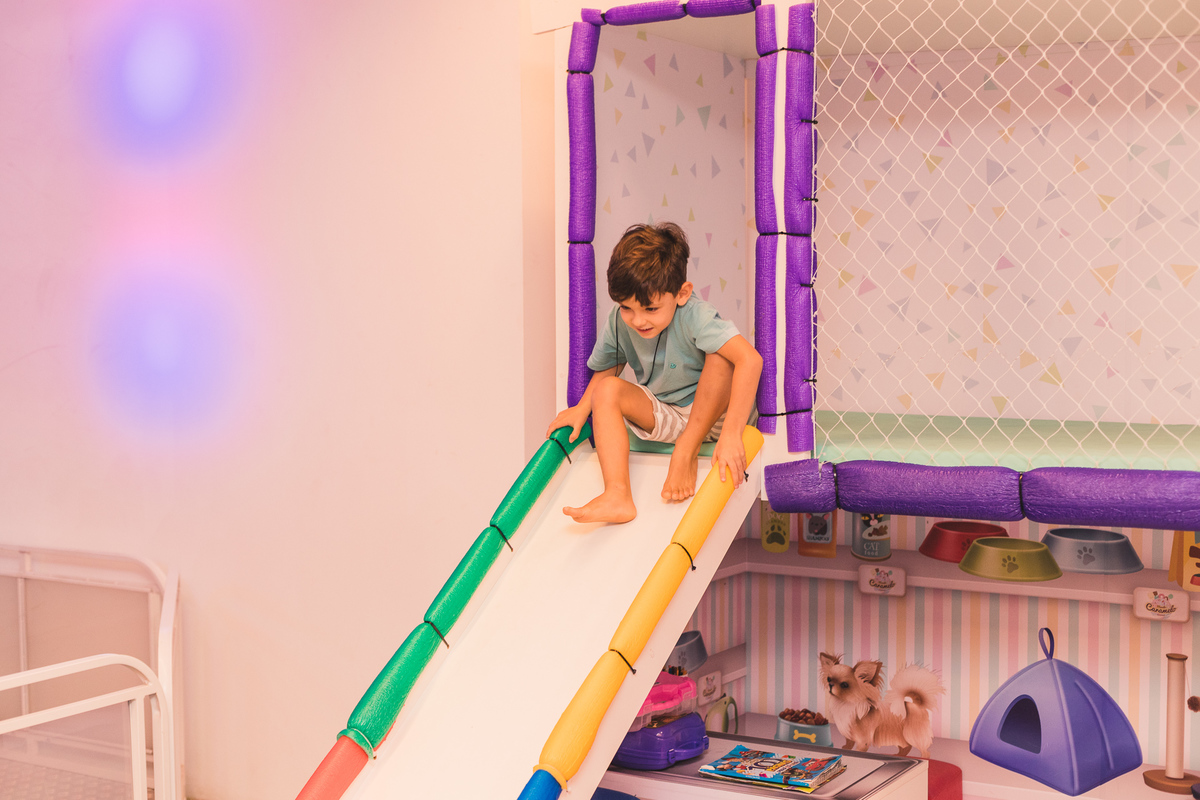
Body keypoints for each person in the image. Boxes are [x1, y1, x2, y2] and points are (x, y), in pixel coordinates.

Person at [547, 222, 763, 524]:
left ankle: (687, 448)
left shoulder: (695, 314)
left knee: (721, 355)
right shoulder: (619, 320)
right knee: (606, 389)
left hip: (716, 417)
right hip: (668, 415)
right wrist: (582, 408)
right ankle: (617, 494)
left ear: (682, 293)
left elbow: (750, 360)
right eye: (627, 308)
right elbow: (610, 364)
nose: (638, 320)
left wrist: (731, 435)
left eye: (650, 309)